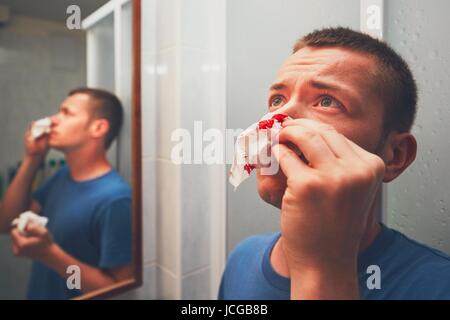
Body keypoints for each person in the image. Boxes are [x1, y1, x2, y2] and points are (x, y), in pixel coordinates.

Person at [219, 27, 450, 300]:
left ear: (395, 155)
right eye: (277, 100)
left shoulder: (437, 286)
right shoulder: (242, 257)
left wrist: (322, 270)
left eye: (326, 101)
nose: (277, 120)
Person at [0, 88, 132, 299]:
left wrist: (50, 255)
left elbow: (114, 289)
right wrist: (32, 158)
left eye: (66, 113)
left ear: (98, 128)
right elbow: (6, 222)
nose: (53, 120)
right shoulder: (63, 177)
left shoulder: (115, 199)